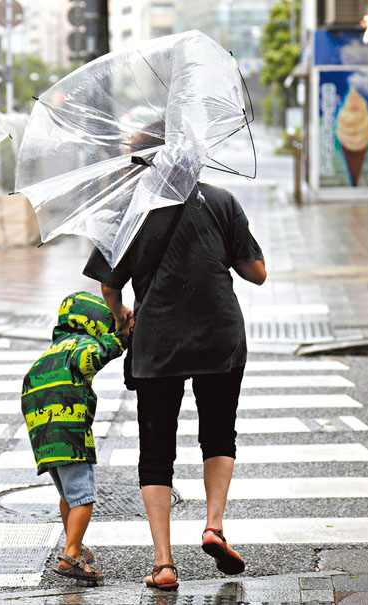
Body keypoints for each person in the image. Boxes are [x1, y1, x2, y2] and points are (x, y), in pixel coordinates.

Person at [83, 182, 266, 590]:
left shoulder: (129, 208)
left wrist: (120, 314)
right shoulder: (221, 201)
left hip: (158, 340)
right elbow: (257, 274)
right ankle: (214, 528)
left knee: (156, 449)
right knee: (219, 434)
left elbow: (110, 285)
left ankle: (164, 565)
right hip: (219, 335)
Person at [21, 291, 129, 585]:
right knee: (83, 496)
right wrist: (120, 339)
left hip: (42, 435)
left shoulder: (51, 351)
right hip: (70, 434)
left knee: (67, 495)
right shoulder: (82, 344)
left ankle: (76, 543)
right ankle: (70, 555)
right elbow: (91, 358)